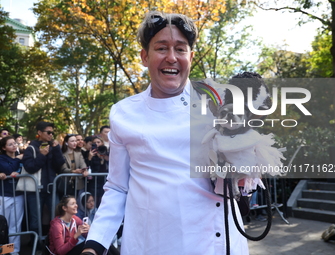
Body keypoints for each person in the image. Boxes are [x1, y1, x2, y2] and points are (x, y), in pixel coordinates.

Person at [82, 11, 249, 255]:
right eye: (162, 48)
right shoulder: (123, 113)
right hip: (151, 243)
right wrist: (94, 245)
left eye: (180, 50)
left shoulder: (219, 103)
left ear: (190, 57)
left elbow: (246, 173)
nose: (171, 58)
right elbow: (118, 187)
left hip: (216, 242)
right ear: (144, 56)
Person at [21, 121, 65, 237]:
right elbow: (30, 167)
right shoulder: (31, 148)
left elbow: (59, 165)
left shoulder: (53, 146)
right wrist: (41, 155)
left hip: (51, 188)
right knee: (35, 219)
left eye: (52, 133)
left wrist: (56, 150)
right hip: (36, 189)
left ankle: (54, 242)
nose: (51, 135)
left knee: (56, 216)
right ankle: (36, 244)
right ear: (39, 132)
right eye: (48, 132)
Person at [0, 136, 24, 255]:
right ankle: (3, 250)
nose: (14, 146)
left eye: (15, 143)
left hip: (18, 195)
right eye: (10, 144)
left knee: (16, 224)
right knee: (3, 224)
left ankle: (14, 251)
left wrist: (18, 172)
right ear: (4, 147)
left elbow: (23, 170)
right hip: (4, 195)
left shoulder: (20, 160)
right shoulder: (0, 159)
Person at [88, 136, 108, 207]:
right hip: (94, 182)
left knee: (104, 201)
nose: (97, 144)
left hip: (105, 181)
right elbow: (87, 166)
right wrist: (90, 157)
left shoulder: (106, 151)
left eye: (98, 142)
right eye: (94, 143)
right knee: (95, 201)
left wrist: (105, 157)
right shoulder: (90, 153)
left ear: (102, 143)